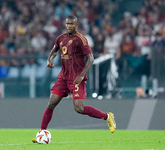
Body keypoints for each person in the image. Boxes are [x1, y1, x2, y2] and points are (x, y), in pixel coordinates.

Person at [32, 15, 116, 143]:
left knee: (79, 108)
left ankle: (107, 116)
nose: (69, 26)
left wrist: (82, 75)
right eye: (67, 23)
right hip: (63, 77)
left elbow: (91, 59)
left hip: (77, 78)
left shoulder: (81, 40)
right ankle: (42, 132)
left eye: (72, 24)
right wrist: (49, 59)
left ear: (76, 25)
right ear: (65, 24)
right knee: (51, 102)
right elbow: (55, 50)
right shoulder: (60, 38)